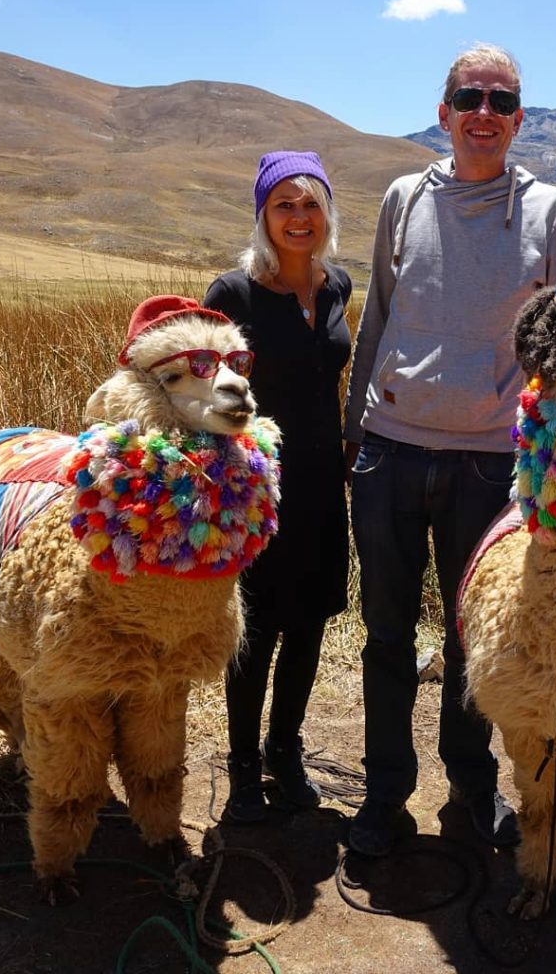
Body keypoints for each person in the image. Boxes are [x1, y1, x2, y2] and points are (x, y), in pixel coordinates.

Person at [343, 45, 556, 856]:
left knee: (471, 639)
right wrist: (355, 429)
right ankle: (384, 796)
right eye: (469, 97)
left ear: (518, 119)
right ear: (444, 112)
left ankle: (471, 788)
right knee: (385, 634)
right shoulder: (403, 198)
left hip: (492, 460)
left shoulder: (552, 213)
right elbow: (378, 314)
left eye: (501, 100)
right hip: (390, 449)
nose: (484, 112)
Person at [203, 151, 351, 822]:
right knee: (257, 627)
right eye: (284, 204)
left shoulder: (338, 284)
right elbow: (205, 388)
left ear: (327, 213)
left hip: (322, 481)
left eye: (310, 203)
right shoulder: (233, 294)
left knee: (310, 622)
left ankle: (284, 751)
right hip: (256, 484)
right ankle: (241, 767)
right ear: (262, 215)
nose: (299, 216)